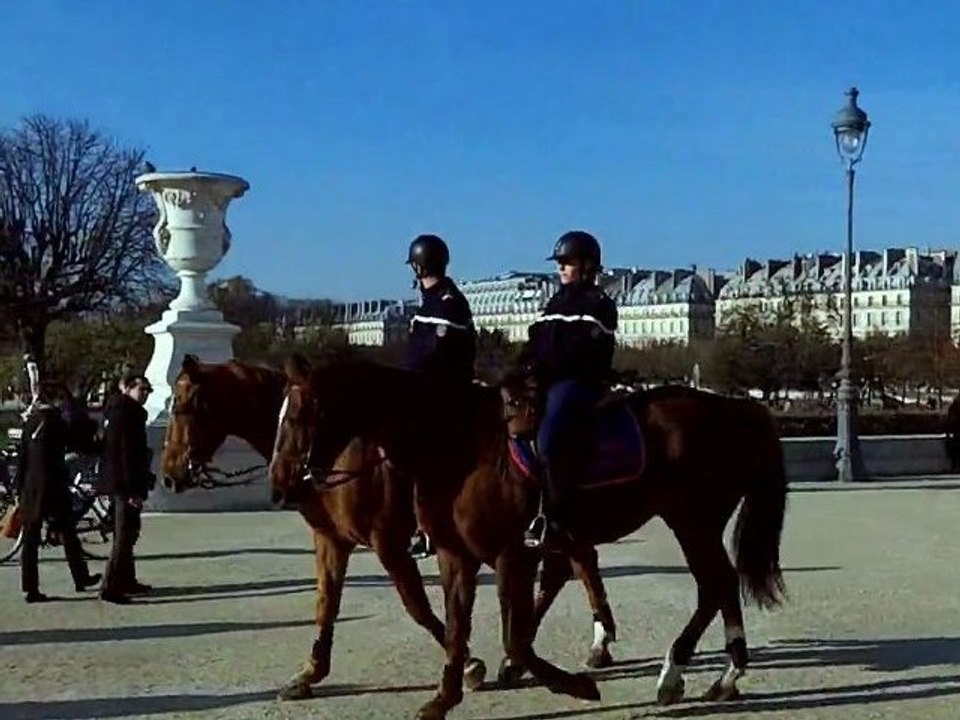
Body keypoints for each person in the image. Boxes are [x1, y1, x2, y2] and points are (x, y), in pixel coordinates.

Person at [518, 230, 618, 549]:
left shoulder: (599, 303)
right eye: (560, 263)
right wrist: (520, 367)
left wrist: (542, 369)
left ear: (588, 266)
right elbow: (538, 342)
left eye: (567, 262)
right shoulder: (556, 300)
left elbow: (578, 354)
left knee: (549, 436)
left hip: (578, 383)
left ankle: (555, 516)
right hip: (549, 379)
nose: (561, 268)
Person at [403, 233, 477, 558]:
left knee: (422, 452)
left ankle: (429, 525)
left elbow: (433, 356)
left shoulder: (448, 302)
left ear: (417, 268)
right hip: (424, 388)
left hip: (444, 391)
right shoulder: (433, 301)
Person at [15, 387, 101, 603]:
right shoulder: (56, 422)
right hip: (53, 486)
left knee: (31, 539)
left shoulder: (31, 422)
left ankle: (30, 588)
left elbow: (23, 459)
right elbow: (77, 443)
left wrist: (20, 488)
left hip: (32, 487)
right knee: (68, 533)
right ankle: (81, 577)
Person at [99, 373, 155, 604]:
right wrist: (133, 490)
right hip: (125, 484)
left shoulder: (123, 412)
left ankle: (126, 580)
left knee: (129, 533)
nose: (144, 395)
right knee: (123, 535)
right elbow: (125, 455)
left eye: (147, 391)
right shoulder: (125, 414)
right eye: (141, 390)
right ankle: (110, 586)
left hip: (124, 481)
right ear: (127, 389)